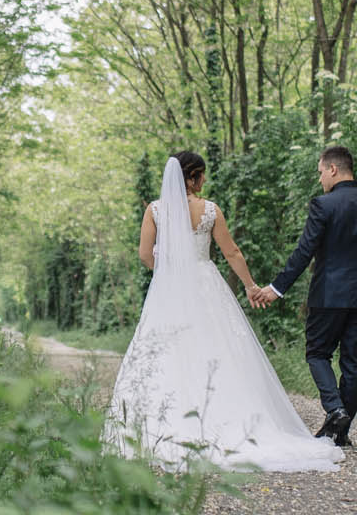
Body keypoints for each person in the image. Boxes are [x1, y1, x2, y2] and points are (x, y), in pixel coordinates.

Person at [104, 151, 344, 473]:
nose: (204, 180)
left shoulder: (155, 210)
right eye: (201, 175)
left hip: (170, 288)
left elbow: (146, 255)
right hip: (206, 285)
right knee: (218, 350)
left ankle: (160, 427)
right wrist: (249, 286)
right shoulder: (210, 210)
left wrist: (169, 268)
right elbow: (231, 251)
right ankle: (229, 422)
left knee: (166, 352)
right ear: (195, 177)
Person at [250, 144, 357, 448]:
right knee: (354, 363)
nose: (320, 180)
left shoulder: (323, 205)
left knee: (317, 353)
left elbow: (305, 251)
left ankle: (335, 410)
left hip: (329, 294)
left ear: (333, 169)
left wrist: (276, 288)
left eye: (320, 173)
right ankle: (341, 433)